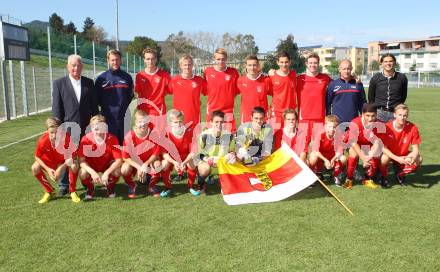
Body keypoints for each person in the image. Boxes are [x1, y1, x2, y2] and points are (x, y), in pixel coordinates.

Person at [52, 54, 98, 196]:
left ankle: (86, 180)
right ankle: (64, 185)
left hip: (86, 128)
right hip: (67, 127)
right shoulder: (59, 83)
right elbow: (57, 107)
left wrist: (95, 123)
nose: (75, 68)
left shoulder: (89, 83)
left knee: (85, 156)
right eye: (73, 65)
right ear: (68, 67)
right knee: (67, 157)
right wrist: (58, 127)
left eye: (78, 65)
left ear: (82, 67)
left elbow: (94, 106)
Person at [31, 117, 80, 203]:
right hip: (49, 162)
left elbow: (72, 156)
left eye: (57, 132)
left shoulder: (66, 138)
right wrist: (48, 169)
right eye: (51, 133)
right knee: (34, 168)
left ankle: (72, 191)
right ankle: (50, 191)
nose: (54, 135)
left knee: (74, 164)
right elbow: (37, 157)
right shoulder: (42, 140)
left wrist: (61, 168)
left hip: (63, 161)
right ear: (47, 132)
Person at [78, 115, 123, 199]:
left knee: (118, 170)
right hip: (92, 165)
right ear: (91, 128)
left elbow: (119, 160)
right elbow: (81, 161)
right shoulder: (85, 139)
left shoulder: (112, 138)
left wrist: (107, 172)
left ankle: (110, 186)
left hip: (106, 165)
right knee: (82, 172)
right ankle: (90, 188)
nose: (99, 132)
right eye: (96, 129)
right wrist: (92, 172)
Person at [121, 110, 163, 198]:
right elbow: (125, 157)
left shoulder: (154, 134)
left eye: (145, 121)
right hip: (135, 163)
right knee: (124, 169)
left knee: (158, 164)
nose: (143, 124)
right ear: (135, 123)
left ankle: (152, 185)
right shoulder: (129, 136)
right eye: (140, 122)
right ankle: (132, 185)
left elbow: (156, 153)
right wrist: (139, 166)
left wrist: (145, 164)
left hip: (149, 161)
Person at [96, 49, 134, 144]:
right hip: (108, 119)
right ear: (108, 61)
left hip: (124, 118)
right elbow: (97, 98)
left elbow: (130, 96)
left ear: (120, 60)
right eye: (112, 60)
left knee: (125, 146)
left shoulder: (127, 77)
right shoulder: (101, 79)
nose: (115, 62)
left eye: (117, 60)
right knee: (110, 146)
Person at [342, 103, 384, 189]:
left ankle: (368, 178)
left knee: (376, 154)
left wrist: (368, 157)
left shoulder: (380, 124)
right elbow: (353, 142)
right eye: (367, 115)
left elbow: (376, 142)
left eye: (373, 116)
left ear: (376, 114)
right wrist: (363, 157)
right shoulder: (355, 122)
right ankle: (349, 179)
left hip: (369, 145)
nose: (370, 118)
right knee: (353, 154)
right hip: (356, 144)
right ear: (362, 114)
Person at [379, 104, 422, 187]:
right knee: (384, 159)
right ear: (394, 115)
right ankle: (384, 177)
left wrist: (411, 159)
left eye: (405, 115)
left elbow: (415, 149)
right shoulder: (387, 127)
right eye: (400, 115)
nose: (402, 117)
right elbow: (383, 148)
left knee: (419, 159)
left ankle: (401, 174)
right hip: (390, 154)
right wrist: (397, 159)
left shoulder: (412, 127)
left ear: (407, 116)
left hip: (403, 154)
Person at [296, 53, 332, 152]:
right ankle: (303, 166)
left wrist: (353, 79)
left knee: (317, 146)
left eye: (315, 63)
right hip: (304, 119)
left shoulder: (325, 78)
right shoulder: (299, 79)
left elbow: (338, 85)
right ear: (306, 64)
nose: (313, 65)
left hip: (320, 119)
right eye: (310, 63)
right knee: (302, 147)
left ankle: (317, 167)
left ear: (318, 64)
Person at [196, 110, 237, 195]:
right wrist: (207, 159)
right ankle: (201, 185)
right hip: (208, 162)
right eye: (216, 122)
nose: (219, 124)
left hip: (223, 162)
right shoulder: (204, 135)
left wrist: (231, 155)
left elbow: (232, 151)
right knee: (204, 169)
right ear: (211, 122)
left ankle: (226, 185)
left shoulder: (229, 136)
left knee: (234, 162)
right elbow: (198, 153)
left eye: (221, 122)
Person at [161, 109, 198, 196]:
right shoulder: (166, 133)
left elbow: (193, 152)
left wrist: (184, 162)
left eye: (180, 121)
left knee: (192, 162)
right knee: (164, 164)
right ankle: (167, 186)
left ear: (183, 121)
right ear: (170, 123)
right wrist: (174, 162)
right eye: (175, 122)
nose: (178, 124)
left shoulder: (190, 131)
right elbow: (164, 154)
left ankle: (191, 185)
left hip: (186, 156)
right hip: (172, 158)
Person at [204, 48, 240, 132]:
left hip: (228, 110)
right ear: (214, 59)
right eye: (218, 59)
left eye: (223, 59)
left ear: (226, 59)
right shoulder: (208, 71)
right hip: (212, 110)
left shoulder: (233, 72)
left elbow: (237, 90)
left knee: (229, 138)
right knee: (211, 137)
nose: (220, 61)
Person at [135, 47, 171, 131]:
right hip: (143, 112)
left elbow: (170, 90)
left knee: (159, 138)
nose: (150, 61)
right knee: (144, 138)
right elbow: (138, 93)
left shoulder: (164, 75)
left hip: (158, 112)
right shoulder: (140, 75)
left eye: (152, 59)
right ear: (144, 60)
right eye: (148, 59)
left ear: (156, 59)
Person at [168, 54, 207, 131]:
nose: (187, 67)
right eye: (185, 65)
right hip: (178, 119)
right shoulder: (174, 80)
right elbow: (168, 91)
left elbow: (208, 92)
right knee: (178, 141)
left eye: (189, 64)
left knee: (194, 142)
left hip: (194, 118)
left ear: (192, 65)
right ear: (181, 66)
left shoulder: (199, 80)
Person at [368, 53, 408, 122]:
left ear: (394, 62)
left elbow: (403, 96)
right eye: (385, 61)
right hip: (379, 113)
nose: (388, 63)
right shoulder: (375, 78)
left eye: (390, 61)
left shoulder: (402, 78)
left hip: (395, 114)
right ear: (382, 63)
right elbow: (371, 98)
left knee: (394, 133)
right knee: (379, 132)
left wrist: (396, 108)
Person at [308, 115, 346, 186]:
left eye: (334, 127)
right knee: (313, 157)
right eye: (329, 127)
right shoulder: (320, 133)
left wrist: (333, 159)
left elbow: (339, 151)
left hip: (333, 155)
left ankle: (336, 174)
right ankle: (314, 174)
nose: (332, 129)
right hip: (321, 155)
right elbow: (316, 150)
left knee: (343, 158)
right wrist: (325, 160)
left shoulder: (339, 134)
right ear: (325, 126)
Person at [326, 59, 366, 123]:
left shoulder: (358, 84)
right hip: (337, 123)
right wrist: (329, 119)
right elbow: (327, 104)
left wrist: (364, 118)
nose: (346, 71)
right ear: (339, 70)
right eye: (344, 69)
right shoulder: (333, 84)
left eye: (348, 69)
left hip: (354, 122)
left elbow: (362, 104)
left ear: (351, 69)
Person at [237, 55, 273, 123]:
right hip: (246, 119)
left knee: (264, 134)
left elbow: (276, 95)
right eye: (249, 65)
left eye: (254, 65)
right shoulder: (240, 81)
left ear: (258, 65)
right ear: (246, 66)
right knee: (247, 134)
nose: (252, 68)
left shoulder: (266, 80)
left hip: (262, 119)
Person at [268, 51, 297, 131]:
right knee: (274, 136)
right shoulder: (272, 76)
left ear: (290, 62)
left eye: (286, 62)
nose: (284, 64)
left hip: (290, 114)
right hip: (276, 114)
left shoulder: (294, 75)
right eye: (281, 62)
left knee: (289, 137)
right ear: (277, 62)